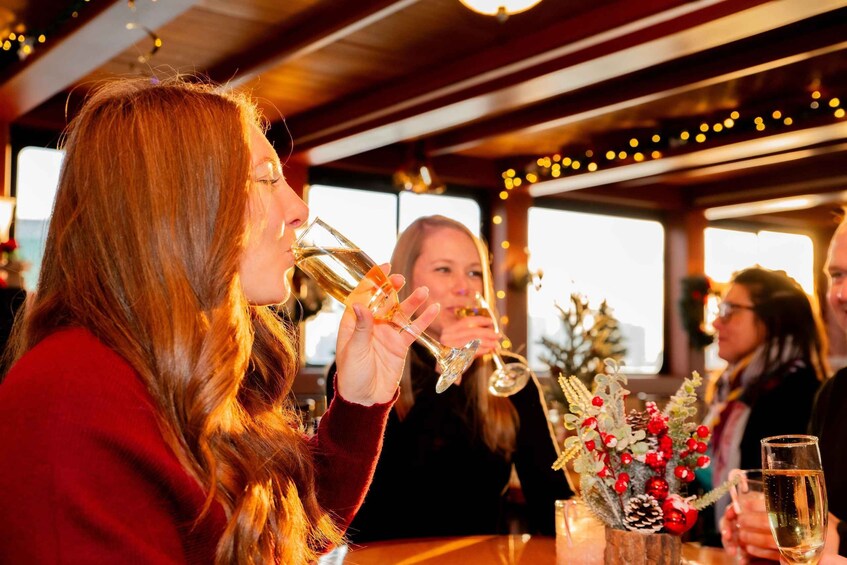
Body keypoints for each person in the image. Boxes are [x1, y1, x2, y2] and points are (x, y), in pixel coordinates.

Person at [0, 77, 438, 564]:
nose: (298, 210)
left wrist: (360, 402)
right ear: (178, 201)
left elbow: (290, 532)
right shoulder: (68, 398)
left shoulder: (198, 365)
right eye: (268, 178)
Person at [327, 215, 572, 543]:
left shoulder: (510, 376)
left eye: (474, 272)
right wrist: (446, 373)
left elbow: (550, 498)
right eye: (444, 269)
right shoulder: (365, 366)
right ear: (408, 281)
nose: (464, 286)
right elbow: (368, 505)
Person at [721, 220, 847, 560]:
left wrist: (831, 542)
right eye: (836, 275)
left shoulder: (796, 390)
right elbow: (807, 523)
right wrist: (759, 538)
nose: (842, 293)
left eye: (729, 311)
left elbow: (826, 534)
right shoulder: (834, 395)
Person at [700, 267, 828, 534]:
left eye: (730, 311)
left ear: (773, 320)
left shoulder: (797, 394)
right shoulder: (737, 389)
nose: (716, 323)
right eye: (719, 310)